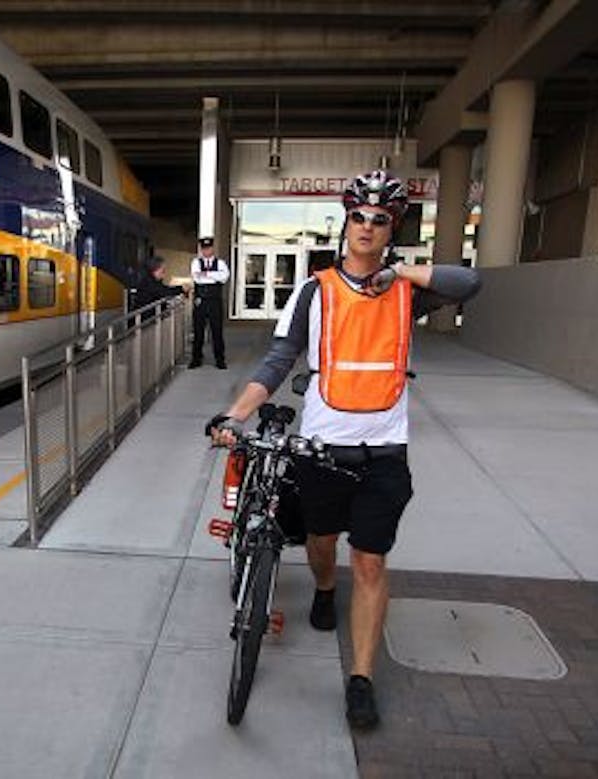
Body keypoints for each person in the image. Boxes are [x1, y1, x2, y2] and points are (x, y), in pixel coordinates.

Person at [205, 169, 481, 730]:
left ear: (391, 229)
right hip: (323, 450)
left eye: (381, 220)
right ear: (345, 221)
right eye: (359, 216)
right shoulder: (316, 290)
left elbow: (469, 284)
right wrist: (236, 414)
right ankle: (326, 588)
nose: (368, 226)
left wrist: (396, 272)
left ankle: (360, 680)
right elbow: (279, 360)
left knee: (372, 560)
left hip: (385, 453)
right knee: (321, 545)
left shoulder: (408, 291)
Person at [189, 237, 229, 369]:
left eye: (209, 248)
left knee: (216, 331)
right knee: (198, 331)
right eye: (204, 249)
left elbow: (224, 278)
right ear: (201, 249)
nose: (206, 251)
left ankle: (220, 359)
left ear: (212, 248)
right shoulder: (196, 262)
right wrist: (214, 275)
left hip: (214, 301)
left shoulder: (221, 263)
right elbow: (197, 278)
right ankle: (196, 359)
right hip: (200, 301)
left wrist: (206, 274)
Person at [130, 255, 185, 320]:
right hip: (145, 321)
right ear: (155, 270)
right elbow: (164, 291)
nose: (164, 275)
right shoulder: (149, 282)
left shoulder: (152, 280)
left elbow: (163, 289)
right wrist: (181, 288)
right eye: (162, 271)